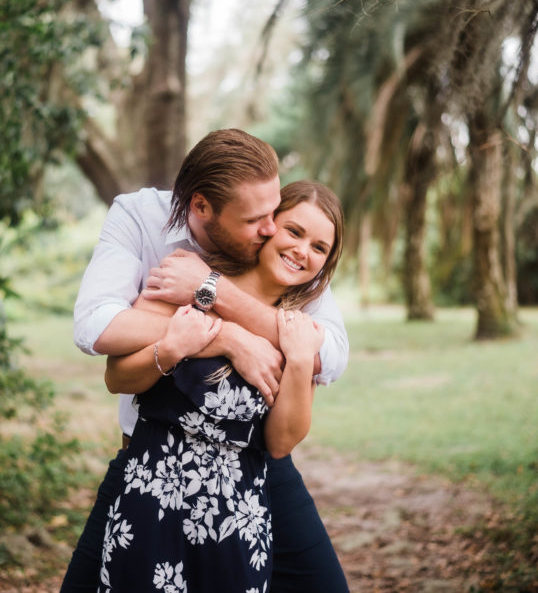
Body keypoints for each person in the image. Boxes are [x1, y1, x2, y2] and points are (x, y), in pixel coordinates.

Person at [64, 128, 349, 592]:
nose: (274, 230)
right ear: (202, 207)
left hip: (251, 474)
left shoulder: (289, 280)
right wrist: (225, 335)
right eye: (269, 221)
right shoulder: (151, 232)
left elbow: (329, 357)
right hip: (152, 460)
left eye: (274, 215)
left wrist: (221, 296)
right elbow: (97, 332)